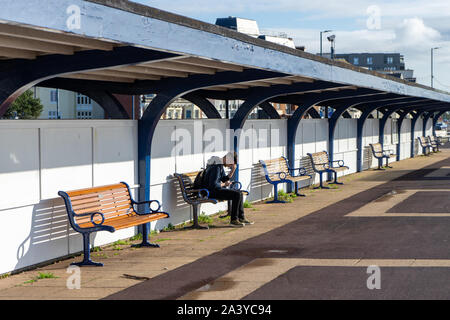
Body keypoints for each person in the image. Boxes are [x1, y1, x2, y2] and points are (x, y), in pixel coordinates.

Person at [202, 152, 253, 227]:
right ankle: (234, 220)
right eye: (230, 164)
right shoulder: (216, 166)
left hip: (214, 190)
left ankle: (241, 217)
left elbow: (223, 179)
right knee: (237, 194)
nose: (229, 166)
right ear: (227, 159)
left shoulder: (219, 164)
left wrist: (232, 170)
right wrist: (224, 184)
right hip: (211, 192)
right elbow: (213, 185)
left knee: (239, 193)